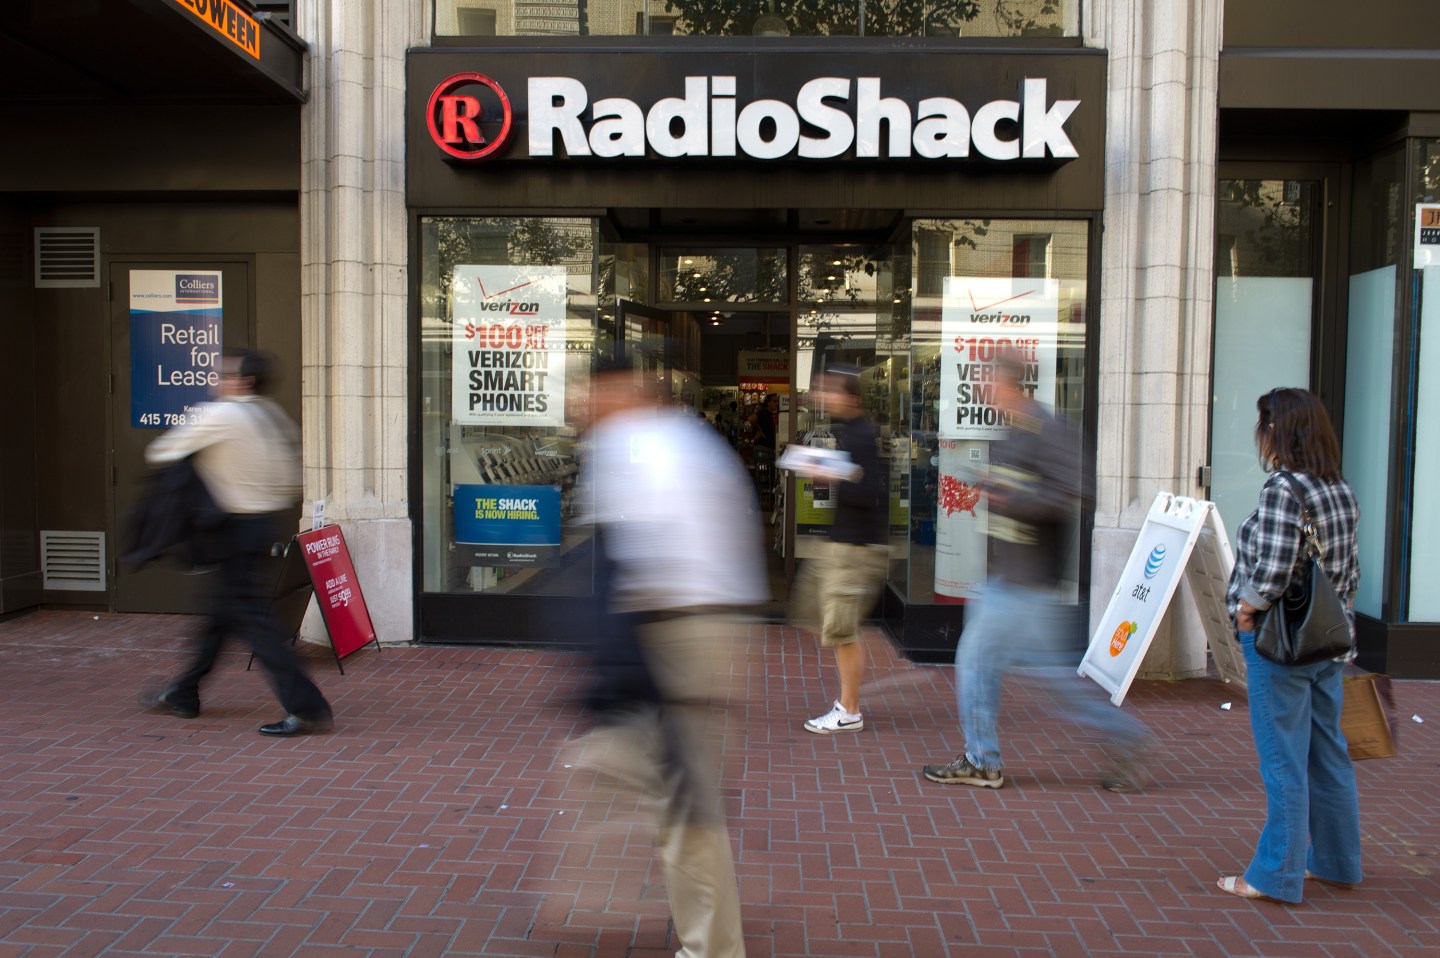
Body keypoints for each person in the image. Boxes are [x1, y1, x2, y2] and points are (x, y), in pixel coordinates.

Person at [566, 349, 767, 958]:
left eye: (588, 392)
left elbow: (638, 560)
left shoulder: (632, 445)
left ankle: (710, 946)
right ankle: (593, 897)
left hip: (679, 632)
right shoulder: (681, 436)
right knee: (631, 774)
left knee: (682, 798)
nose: (579, 405)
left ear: (618, 391)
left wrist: (624, 662)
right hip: (693, 626)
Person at [922, 350, 1152, 790]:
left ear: (1008, 383)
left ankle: (986, 759)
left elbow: (1074, 490)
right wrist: (994, 486)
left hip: (1026, 584)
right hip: (1007, 580)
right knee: (1008, 669)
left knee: (997, 667)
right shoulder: (1013, 430)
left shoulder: (1047, 427)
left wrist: (1013, 499)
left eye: (987, 382)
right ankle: (984, 757)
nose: (983, 391)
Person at [1217, 387, 1362, 904]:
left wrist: (1246, 611)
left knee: (1282, 760)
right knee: (1328, 756)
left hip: (1280, 643)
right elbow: (1348, 572)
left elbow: (1274, 570)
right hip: (1327, 642)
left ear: (1278, 432)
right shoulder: (1338, 488)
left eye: (1264, 427)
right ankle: (1339, 863)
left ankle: (1274, 875)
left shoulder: (1285, 489)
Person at [140, 349, 332, 737]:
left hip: (231, 528)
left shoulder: (222, 415)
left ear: (244, 381)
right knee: (221, 613)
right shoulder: (272, 417)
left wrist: (211, 468)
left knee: (254, 623)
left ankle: (306, 706)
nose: (216, 380)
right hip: (262, 526)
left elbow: (159, 450)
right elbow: (291, 481)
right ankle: (184, 690)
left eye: (223, 374)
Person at [792, 365, 889, 734]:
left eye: (829, 391)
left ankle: (849, 710)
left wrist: (833, 474)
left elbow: (869, 493)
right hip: (845, 543)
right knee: (830, 623)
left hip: (855, 548)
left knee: (843, 630)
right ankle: (849, 702)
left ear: (850, 397)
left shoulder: (862, 435)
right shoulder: (852, 432)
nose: (822, 396)